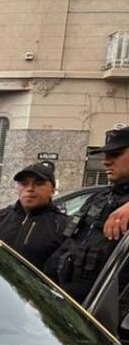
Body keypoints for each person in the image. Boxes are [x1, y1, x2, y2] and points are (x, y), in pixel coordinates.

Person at [46, 126, 129, 302]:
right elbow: (68, 245)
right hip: (70, 306)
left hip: (110, 317)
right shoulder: (99, 199)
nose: (106, 162)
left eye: (116, 154)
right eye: (105, 155)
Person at [0, 161, 69, 271]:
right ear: (17, 188)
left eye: (39, 184)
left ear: (52, 190)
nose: (30, 189)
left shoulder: (62, 227)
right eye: (24, 183)